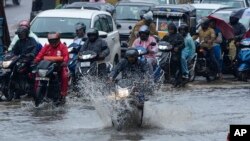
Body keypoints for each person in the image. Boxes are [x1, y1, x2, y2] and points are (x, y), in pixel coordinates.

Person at [34, 32, 69, 102]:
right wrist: (35, 60)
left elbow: (66, 56)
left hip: (59, 67)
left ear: (58, 39)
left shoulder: (63, 46)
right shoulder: (47, 46)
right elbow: (40, 54)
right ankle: (35, 90)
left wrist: (64, 62)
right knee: (37, 74)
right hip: (47, 67)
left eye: (54, 40)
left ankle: (63, 93)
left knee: (64, 76)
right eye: (51, 40)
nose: (53, 42)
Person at [12, 26, 38, 99]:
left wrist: (31, 54)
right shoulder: (18, 42)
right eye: (19, 34)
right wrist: (9, 54)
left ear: (26, 34)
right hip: (20, 60)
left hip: (29, 60)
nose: (20, 35)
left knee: (32, 72)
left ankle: (32, 89)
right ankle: (16, 89)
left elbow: (35, 48)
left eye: (22, 34)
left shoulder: (31, 40)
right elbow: (14, 51)